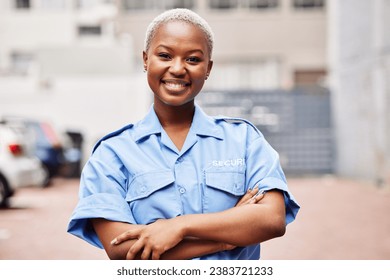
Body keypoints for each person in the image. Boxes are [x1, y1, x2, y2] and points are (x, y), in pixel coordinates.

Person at [67, 8, 300, 260]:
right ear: (146, 59)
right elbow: (122, 250)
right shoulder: (112, 153)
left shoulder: (244, 140)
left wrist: (179, 226)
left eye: (192, 59)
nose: (177, 69)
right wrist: (225, 238)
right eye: (165, 55)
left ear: (208, 68)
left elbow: (272, 219)